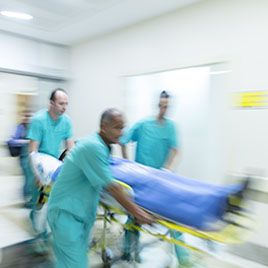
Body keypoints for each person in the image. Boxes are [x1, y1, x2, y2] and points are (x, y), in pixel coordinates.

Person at [47, 108, 154, 268]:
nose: (121, 132)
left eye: (123, 127)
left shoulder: (103, 146)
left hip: (78, 217)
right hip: (66, 215)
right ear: (104, 126)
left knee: (68, 263)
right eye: (117, 127)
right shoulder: (93, 147)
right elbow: (112, 187)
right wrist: (138, 213)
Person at [120, 90, 189, 265]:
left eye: (167, 106)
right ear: (158, 105)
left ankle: (184, 260)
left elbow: (175, 149)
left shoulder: (171, 127)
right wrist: (127, 163)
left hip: (160, 181)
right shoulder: (143, 124)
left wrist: (167, 169)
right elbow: (123, 140)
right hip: (140, 181)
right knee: (134, 217)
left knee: (174, 217)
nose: (164, 109)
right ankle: (129, 252)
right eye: (162, 105)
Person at [27, 88, 74, 250]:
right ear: (51, 103)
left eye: (66, 104)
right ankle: (38, 234)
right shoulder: (39, 120)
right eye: (61, 103)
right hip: (37, 163)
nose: (64, 107)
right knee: (39, 200)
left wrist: (73, 166)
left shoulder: (66, 121)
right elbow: (32, 151)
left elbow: (70, 147)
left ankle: (45, 231)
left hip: (53, 164)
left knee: (52, 199)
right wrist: (37, 175)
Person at [7, 110, 34, 207]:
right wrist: (25, 142)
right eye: (25, 116)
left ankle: (30, 199)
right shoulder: (20, 127)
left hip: (32, 157)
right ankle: (27, 200)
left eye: (29, 116)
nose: (27, 118)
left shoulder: (33, 127)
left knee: (31, 179)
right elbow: (11, 141)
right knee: (28, 179)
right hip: (24, 158)